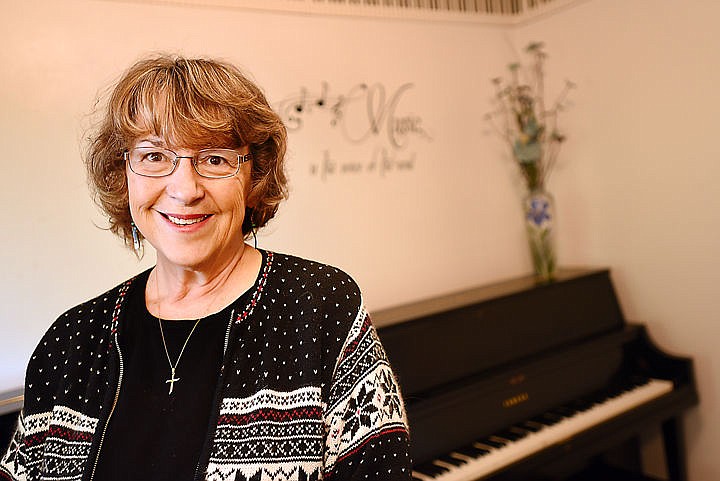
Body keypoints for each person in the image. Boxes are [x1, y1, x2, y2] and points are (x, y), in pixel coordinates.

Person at [0, 55, 411, 481]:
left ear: (254, 178)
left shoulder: (321, 306)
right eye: (155, 156)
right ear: (123, 175)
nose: (184, 189)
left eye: (214, 159)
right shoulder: (70, 341)